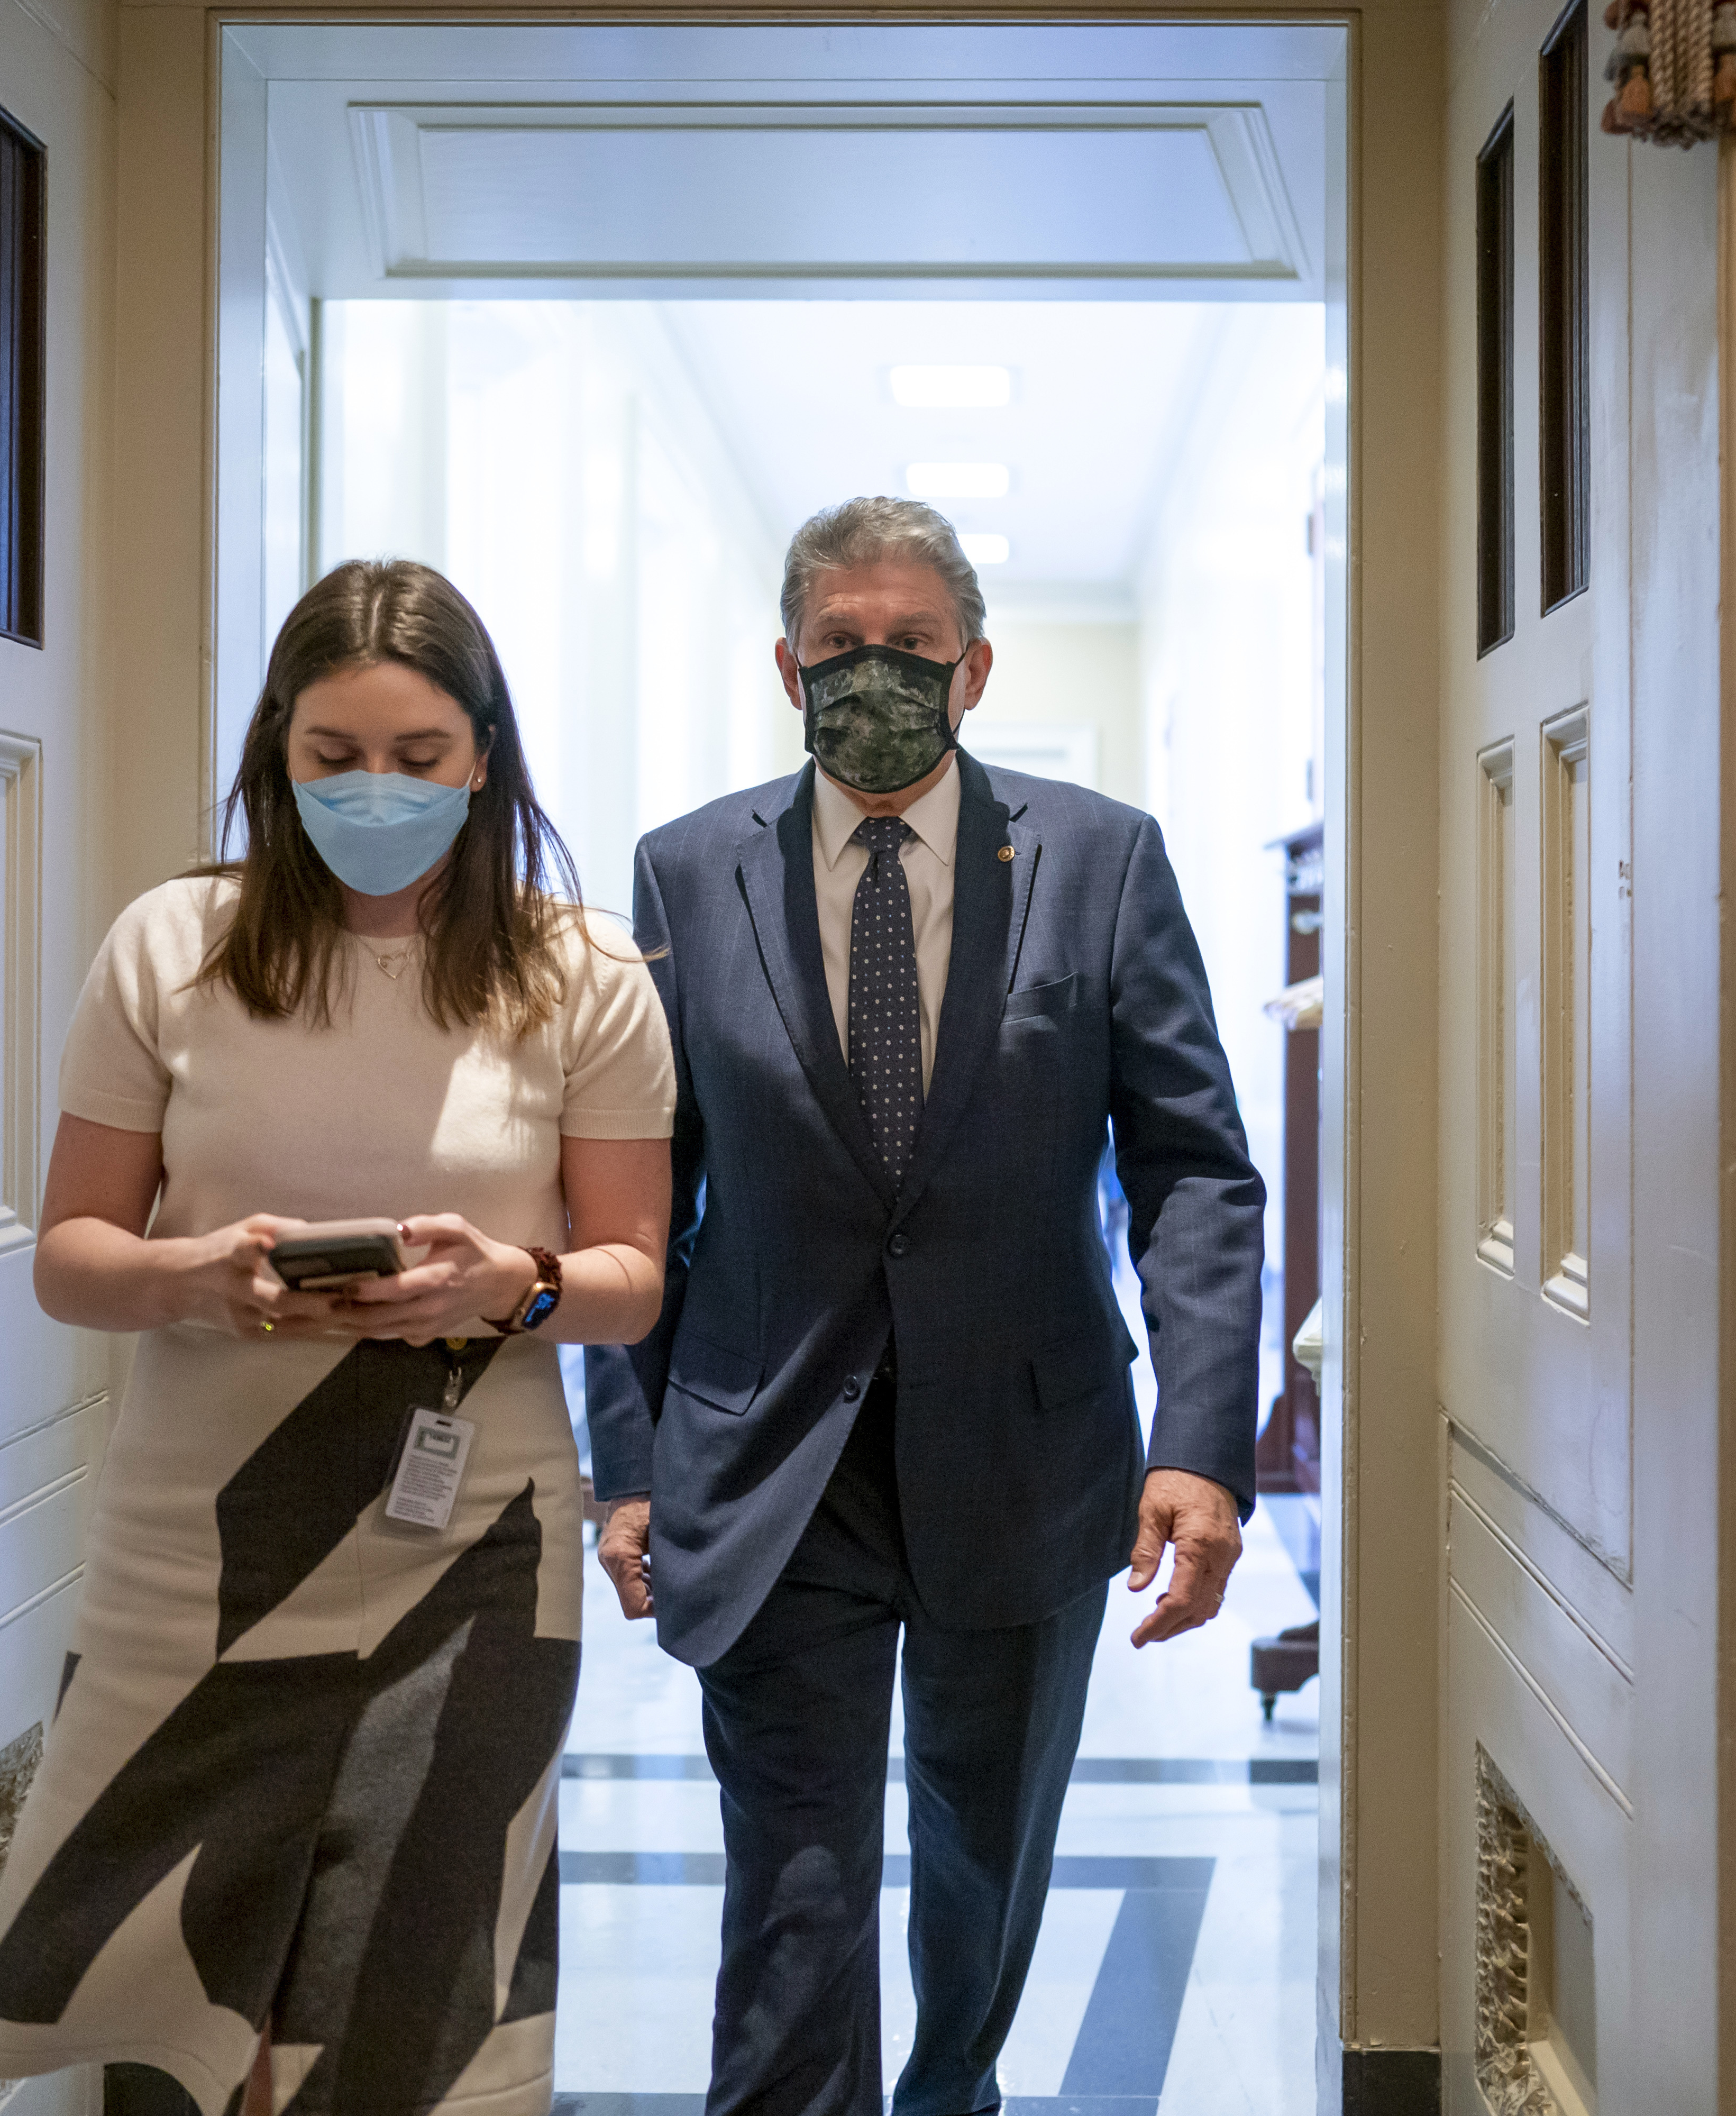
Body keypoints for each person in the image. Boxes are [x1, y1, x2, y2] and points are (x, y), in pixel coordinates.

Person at [0, 560, 676, 2116]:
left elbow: (632, 1277)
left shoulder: (588, 971)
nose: (375, 790)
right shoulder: (173, 946)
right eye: (333, 755)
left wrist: (507, 1283)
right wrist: (197, 1275)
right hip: (199, 1548)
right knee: (172, 1985)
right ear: (275, 752)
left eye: (418, 756)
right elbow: (74, 1258)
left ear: (483, 757)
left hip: (476, 1549)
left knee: (419, 1988)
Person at [584, 498, 1264, 2115]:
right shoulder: (686, 870)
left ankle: (952, 2091)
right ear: (786, 665)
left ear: (975, 669)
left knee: (984, 1858)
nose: (874, 671)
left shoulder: (1101, 858)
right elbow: (630, 1199)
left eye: (913, 644)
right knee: (795, 1886)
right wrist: (632, 1463)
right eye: (840, 644)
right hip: (771, 1459)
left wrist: (1200, 1443)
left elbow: (1192, 1170)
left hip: (1027, 1454)